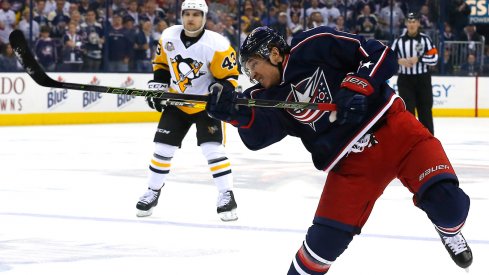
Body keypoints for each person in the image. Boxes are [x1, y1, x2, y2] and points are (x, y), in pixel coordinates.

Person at [205, 26, 473, 274]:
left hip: (397, 132)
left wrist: (358, 84)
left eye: (253, 65)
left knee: (449, 207)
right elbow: (257, 135)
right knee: (322, 245)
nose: (251, 75)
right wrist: (232, 114)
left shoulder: (312, 44)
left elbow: (380, 53)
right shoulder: (263, 97)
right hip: (351, 164)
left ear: (274, 54)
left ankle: (449, 232)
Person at [136, 0, 239, 222]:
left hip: (205, 105)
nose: (191, 18)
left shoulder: (217, 44)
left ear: (204, 17)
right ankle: (152, 191)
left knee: (213, 149)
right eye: (187, 14)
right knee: (162, 148)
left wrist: (219, 89)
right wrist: (159, 84)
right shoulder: (168, 36)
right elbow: (162, 64)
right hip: (177, 102)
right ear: (181, 15)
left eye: (196, 14)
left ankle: (226, 194)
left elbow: (230, 77)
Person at [391, 12, 438, 135]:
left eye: (414, 22)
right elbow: (388, 59)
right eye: (409, 22)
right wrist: (398, 61)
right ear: (406, 23)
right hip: (405, 80)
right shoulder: (398, 41)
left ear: (418, 23)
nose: (412, 24)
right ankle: (410, 142)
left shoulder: (425, 39)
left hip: (423, 79)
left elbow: (434, 58)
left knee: (425, 111)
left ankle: (428, 141)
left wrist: (419, 58)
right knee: (408, 112)